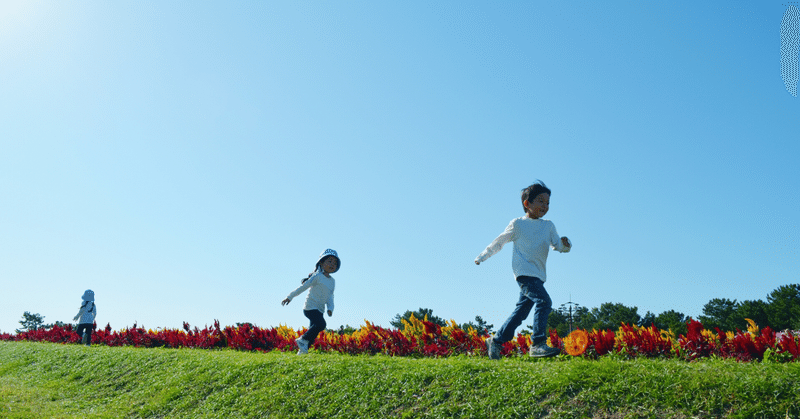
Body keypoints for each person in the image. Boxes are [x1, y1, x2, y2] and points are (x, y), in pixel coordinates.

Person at [475, 181, 572, 359]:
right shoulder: (518, 224)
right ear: (527, 204)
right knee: (544, 301)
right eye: (541, 201)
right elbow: (500, 241)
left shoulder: (548, 226)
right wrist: (482, 256)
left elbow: (558, 246)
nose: (545, 206)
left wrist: (566, 245)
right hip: (524, 274)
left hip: (539, 275)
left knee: (521, 313)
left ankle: (495, 341)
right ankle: (538, 344)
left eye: (548, 203)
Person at [281, 249, 340, 355]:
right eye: (330, 261)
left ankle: (302, 352)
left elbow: (330, 296)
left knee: (313, 332)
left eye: (335, 263)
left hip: (320, 309)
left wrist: (330, 308)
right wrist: (289, 297)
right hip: (310, 307)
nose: (332, 264)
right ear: (321, 263)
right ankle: (302, 339)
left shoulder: (332, 281)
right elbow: (303, 287)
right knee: (321, 324)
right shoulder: (317, 277)